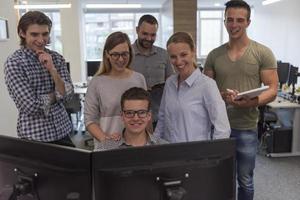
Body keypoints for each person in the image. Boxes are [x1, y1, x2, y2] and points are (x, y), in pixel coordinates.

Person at [203, 1, 278, 200]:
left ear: (248, 22)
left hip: (245, 127)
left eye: (239, 20)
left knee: (245, 179)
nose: (233, 24)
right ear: (224, 20)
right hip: (218, 128)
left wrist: (252, 102)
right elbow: (205, 90)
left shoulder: (262, 52)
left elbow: (272, 89)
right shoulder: (214, 55)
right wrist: (222, 96)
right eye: (230, 19)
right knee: (218, 178)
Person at [4, 11, 75, 147]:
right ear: (22, 33)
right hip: (35, 136)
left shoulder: (56, 58)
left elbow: (69, 95)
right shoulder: (14, 63)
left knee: (75, 167)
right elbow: (31, 106)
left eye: (45, 34)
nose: (41, 40)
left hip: (63, 130)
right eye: (34, 34)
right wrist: (57, 95)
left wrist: (52, 70)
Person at [154, 31, 231, 143]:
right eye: (173, 57)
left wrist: (211, 157)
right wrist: (154, 144)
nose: (178, 61)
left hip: (196, 156)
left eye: (183, 55)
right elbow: (162, 119)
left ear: (193, 51)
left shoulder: (207, 85)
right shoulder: (170, 83)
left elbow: (223, 129)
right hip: (168, 153)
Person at [84, 32, 147, 150]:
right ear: (107, 54)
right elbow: (89, 120)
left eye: (125, 54)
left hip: (136, 146)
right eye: (115, 55)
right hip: (107, 147)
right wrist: (106, 140)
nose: (121, 59)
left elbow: (146, 113)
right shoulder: (97, 82)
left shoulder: (139, 79)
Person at [131, 14, 175, 127]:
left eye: (153, 35)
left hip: (159, 117)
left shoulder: (164, 54)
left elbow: (172, 83)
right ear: (137, 30)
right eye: (145, 34)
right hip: (134, 118)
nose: (149, 39)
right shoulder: (127, 55)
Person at [95, 87, 167, 151]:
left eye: (141, 112)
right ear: (122, 116)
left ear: (149, 115)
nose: (135, 118)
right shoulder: (104, 149)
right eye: (129, 113)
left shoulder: (164, 148)